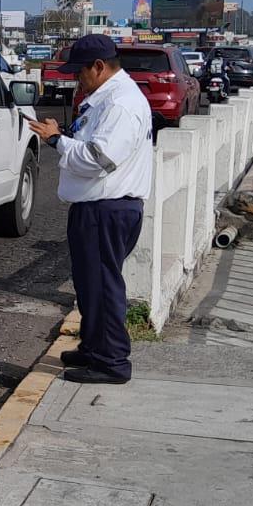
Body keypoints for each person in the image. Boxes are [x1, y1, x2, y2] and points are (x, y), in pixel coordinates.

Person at [26, 35, 153, 383]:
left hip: (107, 209)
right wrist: (64, 137)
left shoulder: (121, 105)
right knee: (90, 285)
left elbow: (99, 159)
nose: (74, 78)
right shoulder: (106, 100)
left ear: (98, 67)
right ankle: (95, 347)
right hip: (98, 207)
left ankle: (112, 362)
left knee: (102, 287)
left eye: (78, 72)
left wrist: (56, 140)